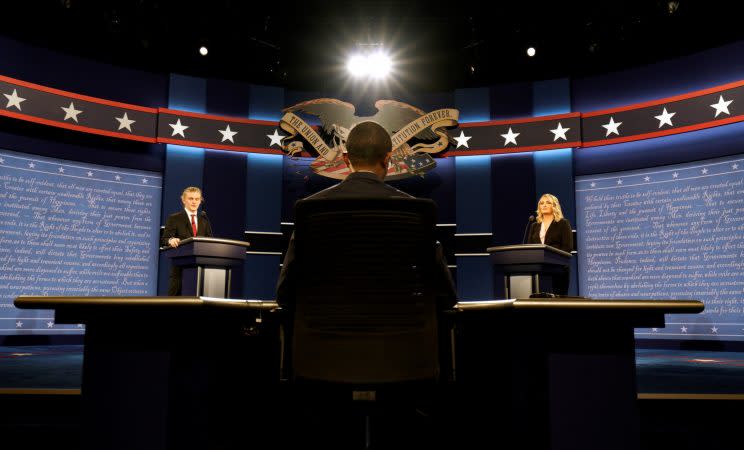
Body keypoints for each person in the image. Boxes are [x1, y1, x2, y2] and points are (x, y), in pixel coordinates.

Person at [276, 120, 457, 308]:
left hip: (326, 332)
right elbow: (446, 295)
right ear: (388, 159)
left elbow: (285, 294)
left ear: (346, 159)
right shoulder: (417, 213)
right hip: (400, 333)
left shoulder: (311, 209)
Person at [161, 186, 214, 295]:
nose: (194, 202)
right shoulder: (175, 218)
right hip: (180, 272)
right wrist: (171, 240)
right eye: (191, 198)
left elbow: (210, 242)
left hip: (201, 272)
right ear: (184, 200)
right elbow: (164, 239)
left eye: (197, 199)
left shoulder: (204, 220)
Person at [527, 193, 573, 295]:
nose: (544, 205)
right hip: (539, 271)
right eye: (541, 203)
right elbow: (529, 247)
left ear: (554, 206)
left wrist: (551, 258)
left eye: (548, 203)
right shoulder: (534, 225)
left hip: (558, 269)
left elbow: (567, 247)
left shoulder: (563, 223)